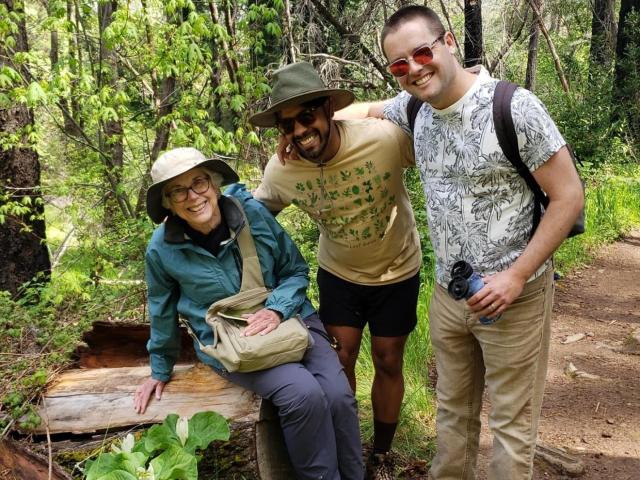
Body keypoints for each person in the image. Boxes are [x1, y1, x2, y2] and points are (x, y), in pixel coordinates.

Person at [336, 5, 585, 480]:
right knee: (452, 413)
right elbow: (364, 109)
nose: (413, 68)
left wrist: (514, 277)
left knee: (511, 427)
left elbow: (569, 195)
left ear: (448, 42)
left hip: (517, 296)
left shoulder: (513, 107)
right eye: (399, 64)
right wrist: (305, 124)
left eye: (422, 52)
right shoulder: (415, 109)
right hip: (449, 296)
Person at [133, 147, 364, 480]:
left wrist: (276, 309)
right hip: (230, 338)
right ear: (167, 202)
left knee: (339, 396)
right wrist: (159, 368)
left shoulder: (252, 214)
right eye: (178, 191)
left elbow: (296, 270)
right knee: (303, 395)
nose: (192, 196)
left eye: (198, 183)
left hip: (289, 316)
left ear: (214, 184)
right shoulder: (162, 249)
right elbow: (162, 309)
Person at [249, 62, 422, 479]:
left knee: (387, 359)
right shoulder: (283, 169)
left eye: (307, 116)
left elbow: (432, 128)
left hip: (398, 267)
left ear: (328, 108)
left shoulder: (384, 141)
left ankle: (379, 453)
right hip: (339, 272)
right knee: (339, 357)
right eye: (287, 125)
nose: (299, 131)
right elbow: (253, 218)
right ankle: (346, 448)